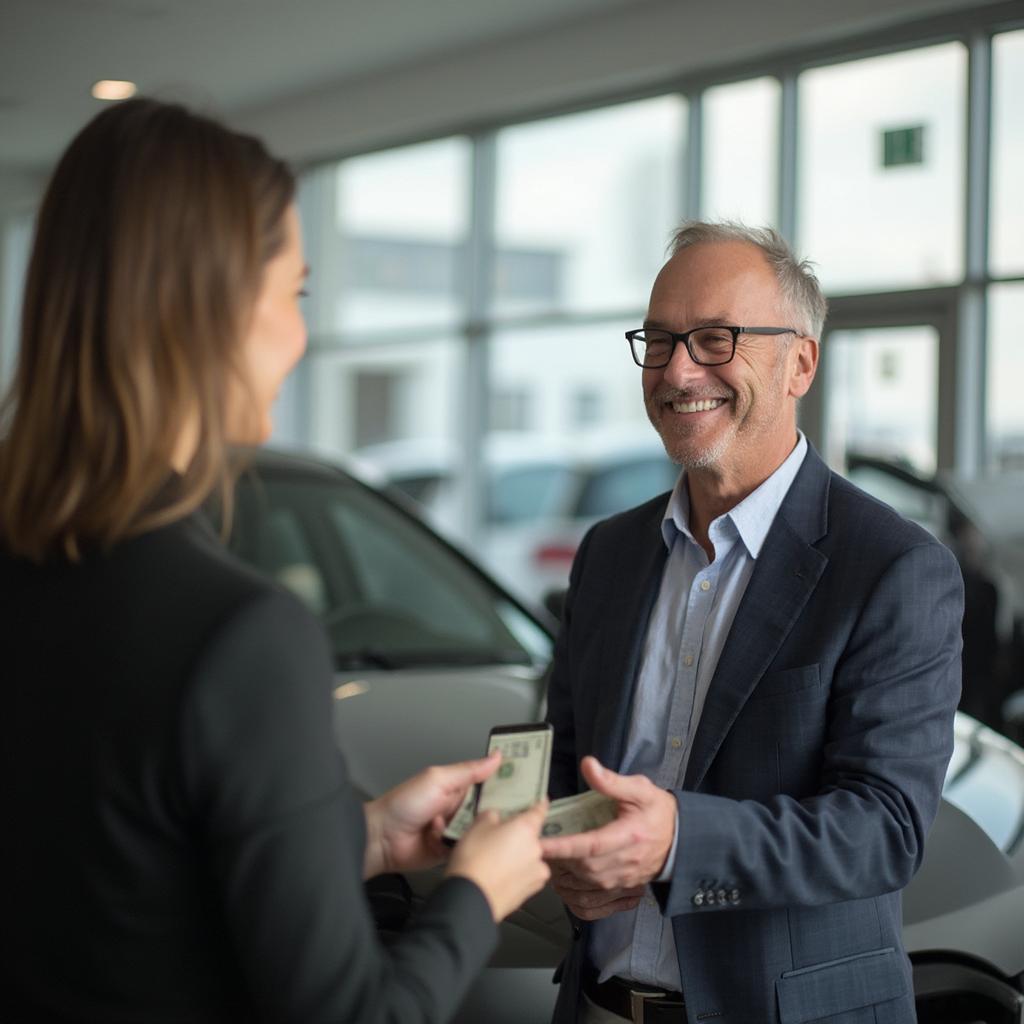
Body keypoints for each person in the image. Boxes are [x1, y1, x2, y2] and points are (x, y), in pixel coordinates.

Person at [0, 98, 550, 1023]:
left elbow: (119, 879)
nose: (299, 337)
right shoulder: (239, 636)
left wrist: (360, 837)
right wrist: (477, 892)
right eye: (294, 294)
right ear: (212, 310)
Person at [538, 223, 963, 1023]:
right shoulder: (610, 553)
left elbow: (885, 828)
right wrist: (556, 846)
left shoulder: (892, 566)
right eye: (659, 341)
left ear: (800, 362)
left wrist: (675, 842)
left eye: (714, 338)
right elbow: (569, 755)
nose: (677, 371)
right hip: (596, 1005)